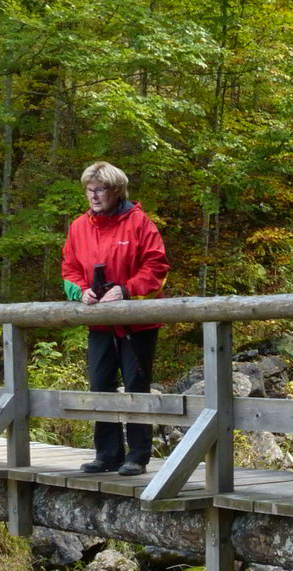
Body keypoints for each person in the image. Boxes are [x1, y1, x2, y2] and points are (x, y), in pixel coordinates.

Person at [61, 161, 170, 476]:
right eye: (89, 190)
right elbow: (68, 269)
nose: (93, 196)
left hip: (138, 322)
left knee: (136, 385)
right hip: (99, 322)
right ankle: (107, 454)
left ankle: (138, 456)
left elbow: (157, 267)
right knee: (100, 385)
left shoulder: (139, 223)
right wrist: (80, 292)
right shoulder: (79, 226)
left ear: (117, 190)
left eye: (100, 189)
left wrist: (127, 290)